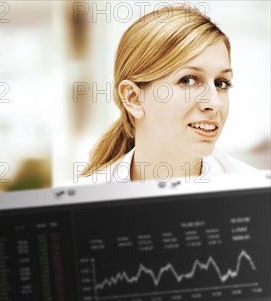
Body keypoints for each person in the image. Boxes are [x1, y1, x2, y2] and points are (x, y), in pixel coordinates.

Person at [76, 4, 258, 184]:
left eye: (221, 83)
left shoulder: (258, 196)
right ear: (133, 98)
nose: (215, 102)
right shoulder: (79, 205)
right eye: (188, 80)